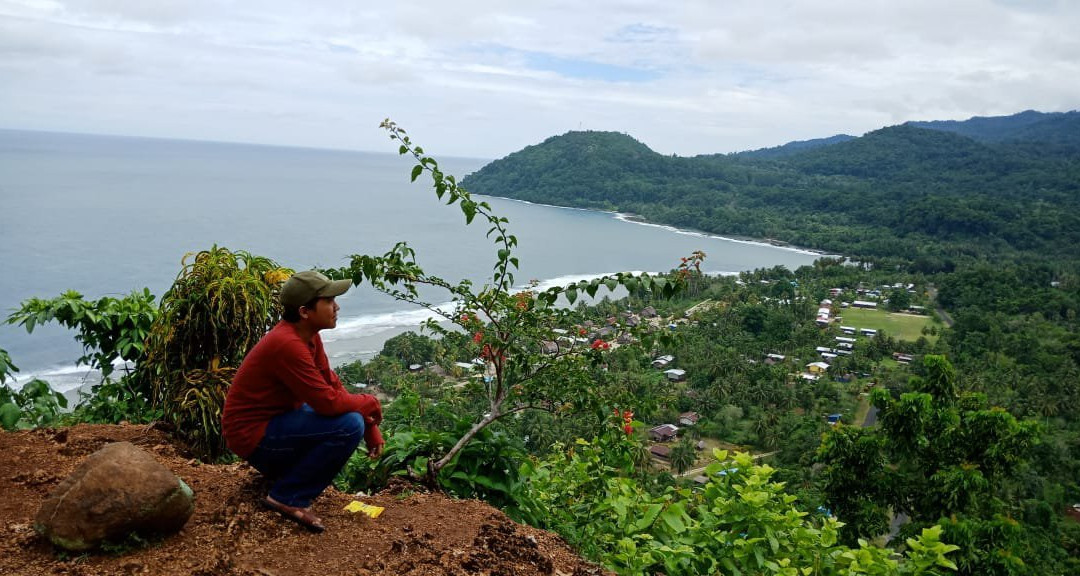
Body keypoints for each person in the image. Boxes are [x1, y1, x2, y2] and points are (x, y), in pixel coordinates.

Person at [223, 270, 384, 533]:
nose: (337, 306)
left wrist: (370, 425)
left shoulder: (308, 336)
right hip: (253, 436)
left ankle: (288, 481)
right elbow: (328, 404)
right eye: (329, 301)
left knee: (351, 419)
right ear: (304, 311)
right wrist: (369, 404)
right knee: (348, 424)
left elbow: (331, 385)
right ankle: (288, 496)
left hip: (275, 423)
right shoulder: (288, 344)